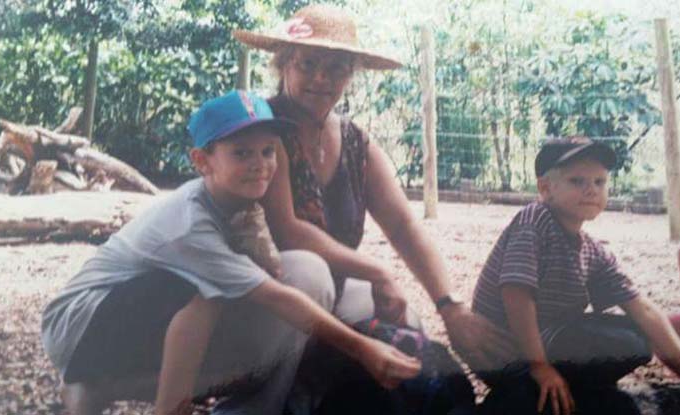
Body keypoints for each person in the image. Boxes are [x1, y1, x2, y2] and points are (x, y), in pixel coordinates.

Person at [40, 90, 421, 415]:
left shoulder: (233, 203)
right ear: (202, 161)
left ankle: (97, 390)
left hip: (121, 317)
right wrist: (362, 348)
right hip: (80, 324)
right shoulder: (191, 221)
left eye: (268, 151)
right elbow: (276, 295)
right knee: (212, 294)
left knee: (243, 313)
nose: (260, 166)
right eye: (242, 153)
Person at [232, 2, 512, 370]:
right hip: (247, 295)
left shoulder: (354, 142)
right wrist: (377, 271)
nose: (321, 79)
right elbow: (288, 232)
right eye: (308, 64)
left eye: (336, 68)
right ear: (284, 63)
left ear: (351, 76)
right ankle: (253, 405)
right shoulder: (264, 128)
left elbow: (403, 226)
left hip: (329, 292)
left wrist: (449, 306)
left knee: (404, 321)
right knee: (308, 271)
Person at [470, 136, 680, 415]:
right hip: (505, 350)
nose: (591, 190)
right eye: (577, 181)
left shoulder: (592, 251)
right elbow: (516, 295)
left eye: (599, 182)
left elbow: (642, 308)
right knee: (629, 343)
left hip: (549, 338)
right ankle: (526, 390)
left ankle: (572, 392)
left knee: (637, 338)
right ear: (546, 188)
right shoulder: (534, 221)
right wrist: (540, 367)